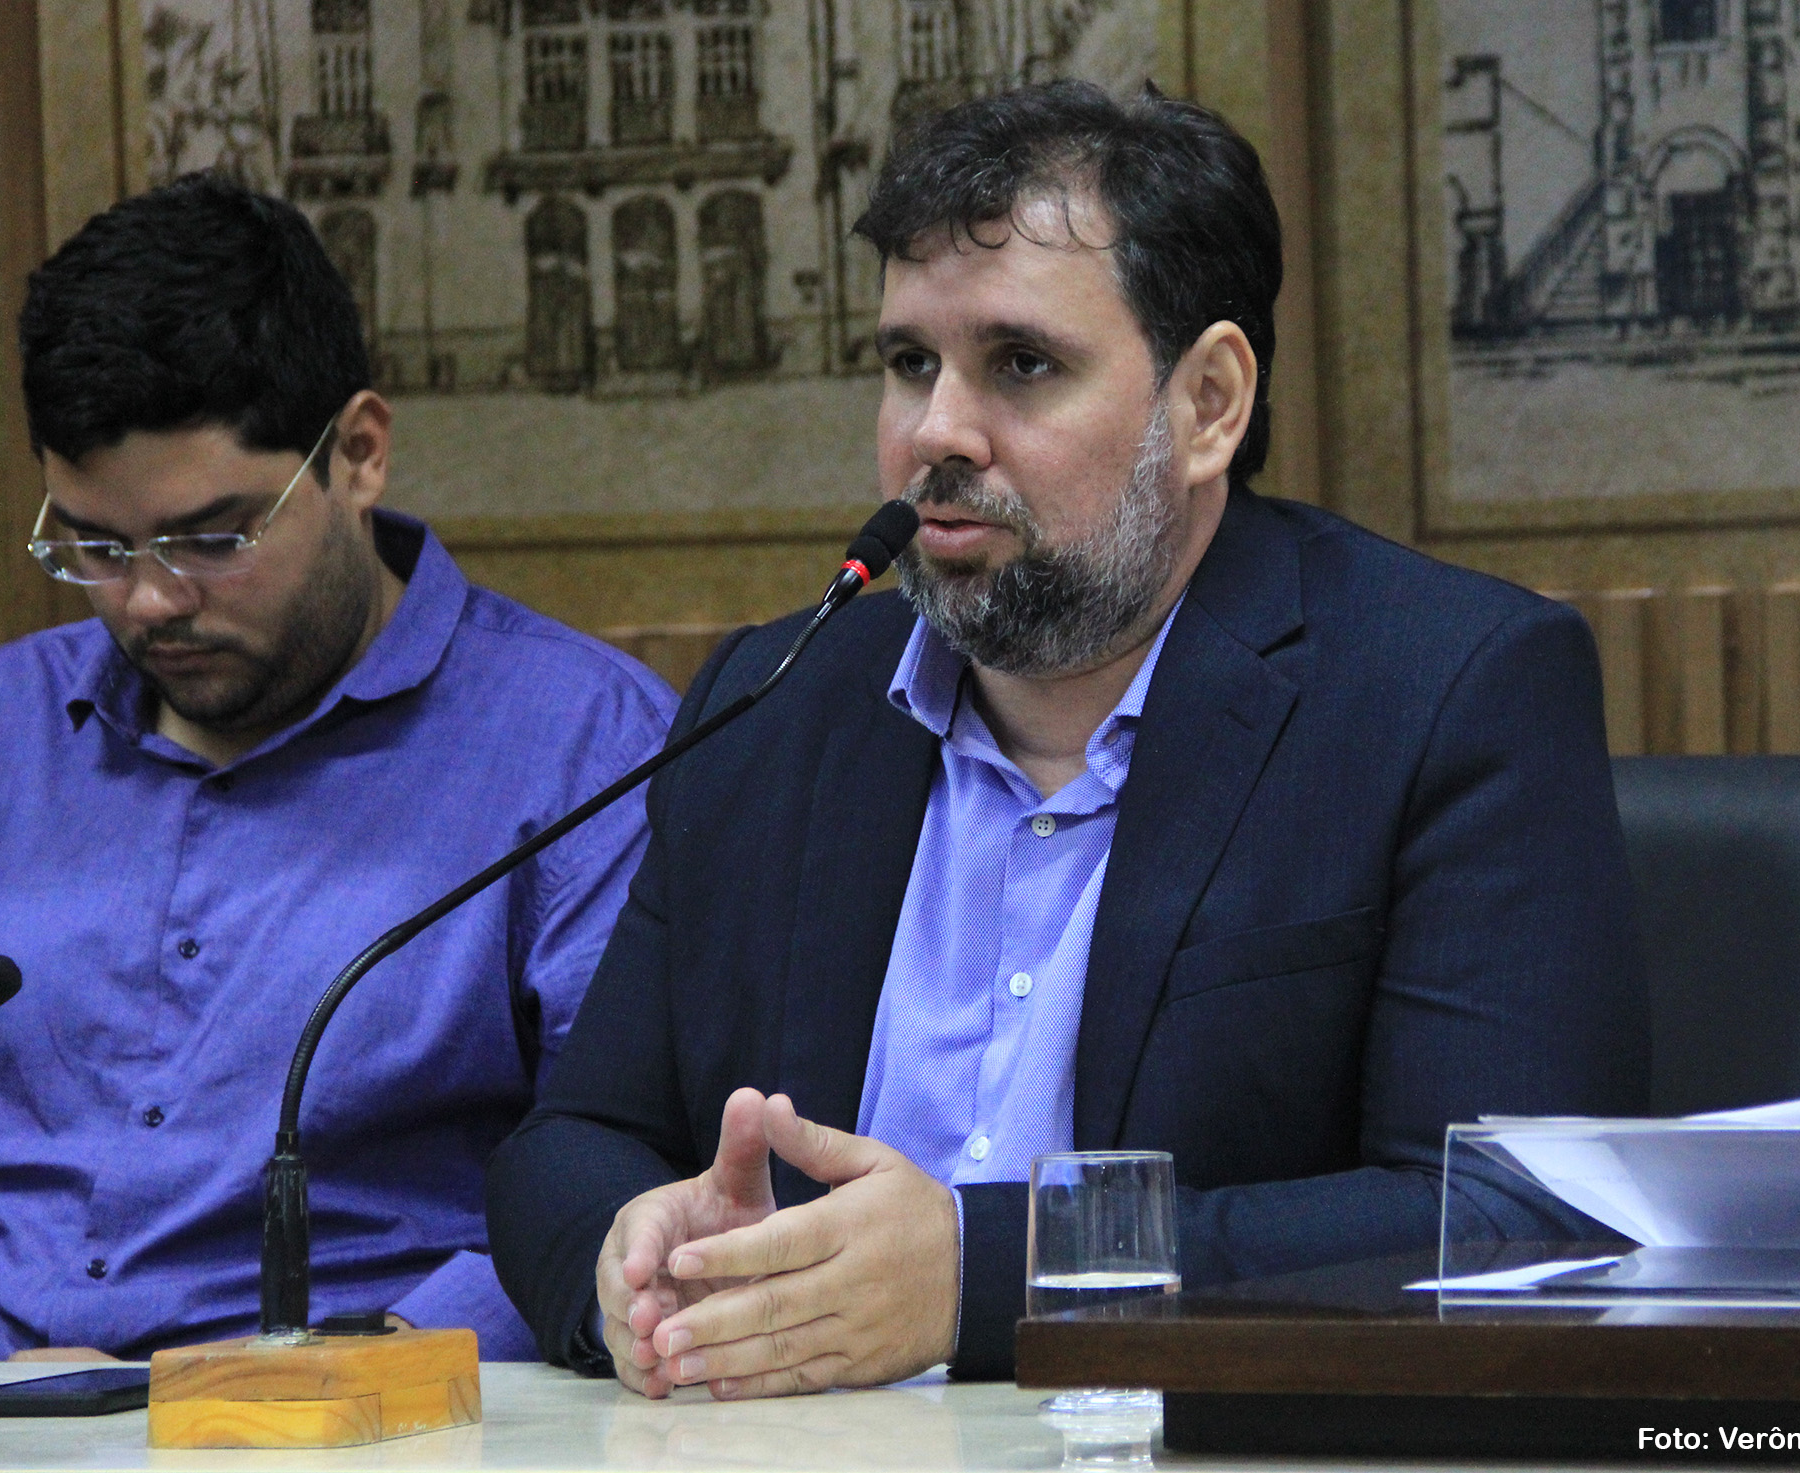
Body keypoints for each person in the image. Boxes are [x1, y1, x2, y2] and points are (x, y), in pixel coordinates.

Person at [487, 81, 1645, 1394]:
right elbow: (569, 1144)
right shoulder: (776, 700)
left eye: (1020, 365)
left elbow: (1509, 1223)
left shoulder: (1445, 691)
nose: (936, 432)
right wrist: (629, 1256)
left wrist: (987, 1277)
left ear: (1207, 403)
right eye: (908, 364)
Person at [0, 173, 677, 1362]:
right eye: (95, 546)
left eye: (211, 538)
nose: (150, 601)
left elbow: (629, 1165)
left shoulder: (585, 750)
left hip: (366, 1408)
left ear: (356, 454)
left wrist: (359, 1369)